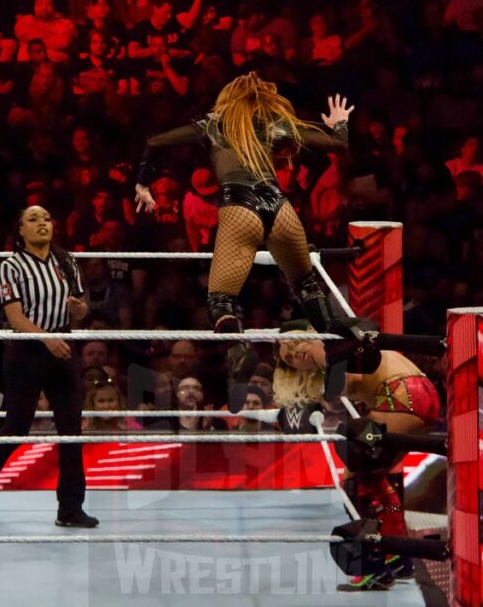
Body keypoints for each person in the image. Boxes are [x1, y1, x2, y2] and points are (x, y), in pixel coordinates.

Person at [135, 73, 353, 339]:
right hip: (279, 205)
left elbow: (154, 142)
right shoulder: (277, 123)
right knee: (306, 284)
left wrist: (143, 185)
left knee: (221, 302)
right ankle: (334, 338)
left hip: (240, 204)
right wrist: (339, 123)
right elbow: (339, 145)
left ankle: (238, 355)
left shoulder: (215, 123)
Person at [268, 320, 441, 591]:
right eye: (289, 357)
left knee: (355, 479)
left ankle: (375, 564)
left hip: (400, 395)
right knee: (371, 481)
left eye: (293, 346)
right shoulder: (328, 354)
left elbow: (352, 378)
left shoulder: (326, 346)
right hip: (415, 397)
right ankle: (398, 556)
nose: (295, 355)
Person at [0, 205, 97, 528]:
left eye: (46, 218)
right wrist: (46, 340)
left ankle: (70, 509)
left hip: (63, 346)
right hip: (26, 351)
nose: (42, 224)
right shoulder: (10, 267)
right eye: (33, 219)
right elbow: (15, 318)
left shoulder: (66, 262)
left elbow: (81, 311)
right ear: (21, 231)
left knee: (71, 431)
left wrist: (78, 309)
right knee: (16, 426)